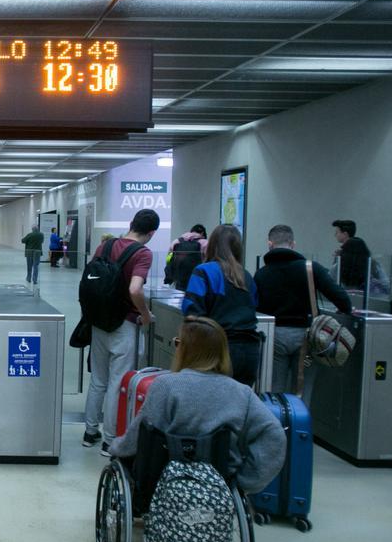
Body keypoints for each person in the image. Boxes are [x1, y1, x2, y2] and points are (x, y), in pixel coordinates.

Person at [109, 316, 287, 496]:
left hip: (163, 484)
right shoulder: (242, 393)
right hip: (219, 486)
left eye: (178, 343)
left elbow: (138, 436)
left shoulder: (166, 386)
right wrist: (245, 482)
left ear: (187, 351)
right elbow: (274, 435)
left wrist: (116, 448)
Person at [82, 209, 158, 455]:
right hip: (124, 323)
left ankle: (89, 432)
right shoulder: (143, 253)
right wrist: (145, 315)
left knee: (98, 380)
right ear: (151, 233)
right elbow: (136, 289)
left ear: (130, 224)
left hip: (98, 320)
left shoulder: (105, 246)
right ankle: (109, 440)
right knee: (117, 382)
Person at [254, 224, 352, 397]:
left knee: (274, 390)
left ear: (270, 245)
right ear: (293, 244)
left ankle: (276, 422)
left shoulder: (262, 274)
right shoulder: (310, 268)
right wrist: (344, 309)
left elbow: (256, 307)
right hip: (307, 336)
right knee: (302, 391)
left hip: (275, 336)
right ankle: (300, 421)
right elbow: (343, 299)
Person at [182, 224, 261, 387]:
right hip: (250, 351)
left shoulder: (203, 271)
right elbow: (254, 306)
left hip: (218, 351)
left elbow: (191, 312)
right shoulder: (245, 276)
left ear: (212, 245)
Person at [163, 224, 207, 291]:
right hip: (197, 279)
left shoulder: (176, 242)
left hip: (179, 279)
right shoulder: (205, 243)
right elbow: (209, 261)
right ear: (202, 233)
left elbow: (168, 259)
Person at [331, 219, 372, 289]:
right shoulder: (362, 249)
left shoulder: (342, 256)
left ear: (345, 234)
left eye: (337, 232)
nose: (335, 235)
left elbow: (333, 277)